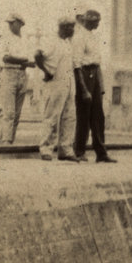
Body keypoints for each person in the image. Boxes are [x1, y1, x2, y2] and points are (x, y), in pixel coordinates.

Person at [71, 9, 115, 163]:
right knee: (84, 115)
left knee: (98, 116)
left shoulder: (93, 37)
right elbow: (76, 64)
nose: (98, 24)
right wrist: (83, 88)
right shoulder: (79, 37)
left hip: (95, 74)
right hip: (84, 75)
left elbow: (97, 63)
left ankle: (101, 152)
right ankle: (79, 150)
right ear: (89, 21)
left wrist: (100, 85)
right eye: (97, 21)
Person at [34, 16, 79, 161]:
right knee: (52, 115)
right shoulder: (51, 40)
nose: (72, 30)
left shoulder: (67, 43)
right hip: (55, 82)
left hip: (68, 82)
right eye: (70, 27)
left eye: (73, 27)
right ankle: (46, 148)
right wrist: (46, 72)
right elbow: (37, 55)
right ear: (63, 27)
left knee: (69, 116)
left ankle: (65, 149)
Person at [0, 13, 36, 145]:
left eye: (12, 23)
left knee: (16, 113)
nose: (10, 25)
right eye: (9, 23)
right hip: (9, 73)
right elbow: (5, 58)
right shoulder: (6, 39)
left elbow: (31, 61)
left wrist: (25, 62)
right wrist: (23, 60)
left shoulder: (25, 41)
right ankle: (6, 140)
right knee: (8, 111)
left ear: (20, 23)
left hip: (22, 74)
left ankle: (10, 140)